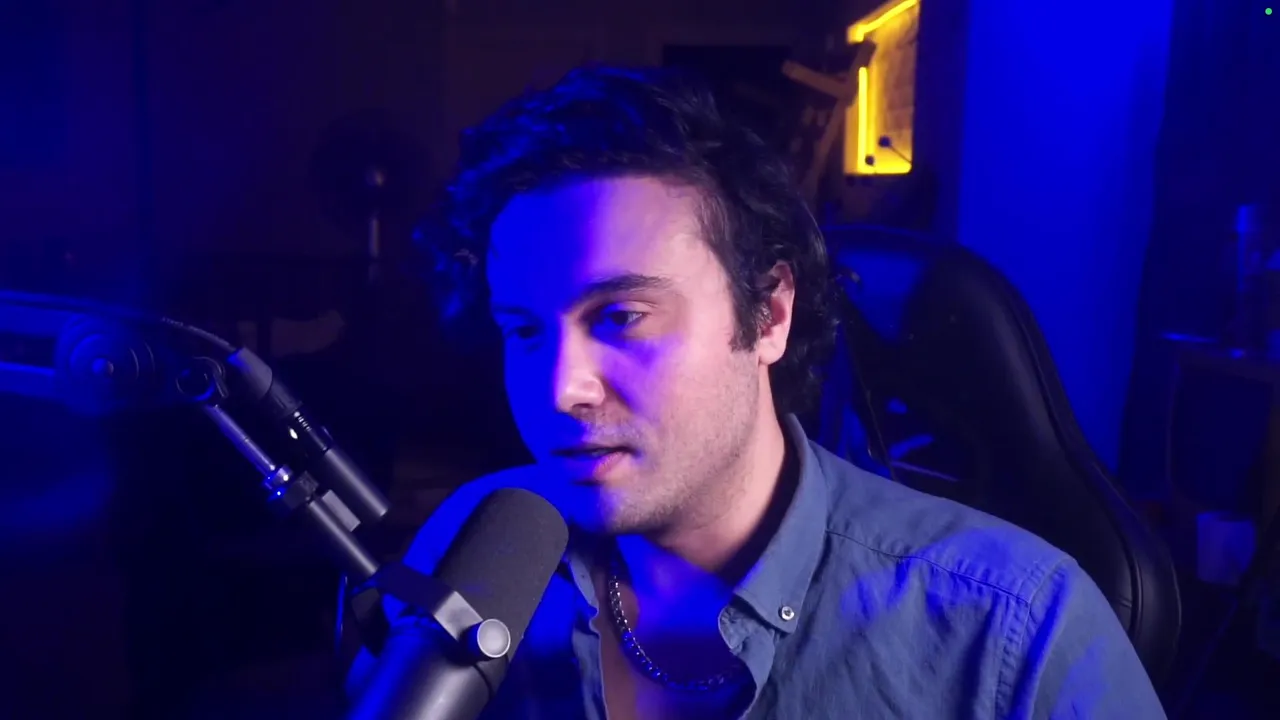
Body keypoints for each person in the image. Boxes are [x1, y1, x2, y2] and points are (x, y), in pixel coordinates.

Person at [348, 66, 1166, 719]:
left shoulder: (1013, 628)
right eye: (525, 331)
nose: (562, 389)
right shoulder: (476, 545)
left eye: (622, 317)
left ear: (769, 314)